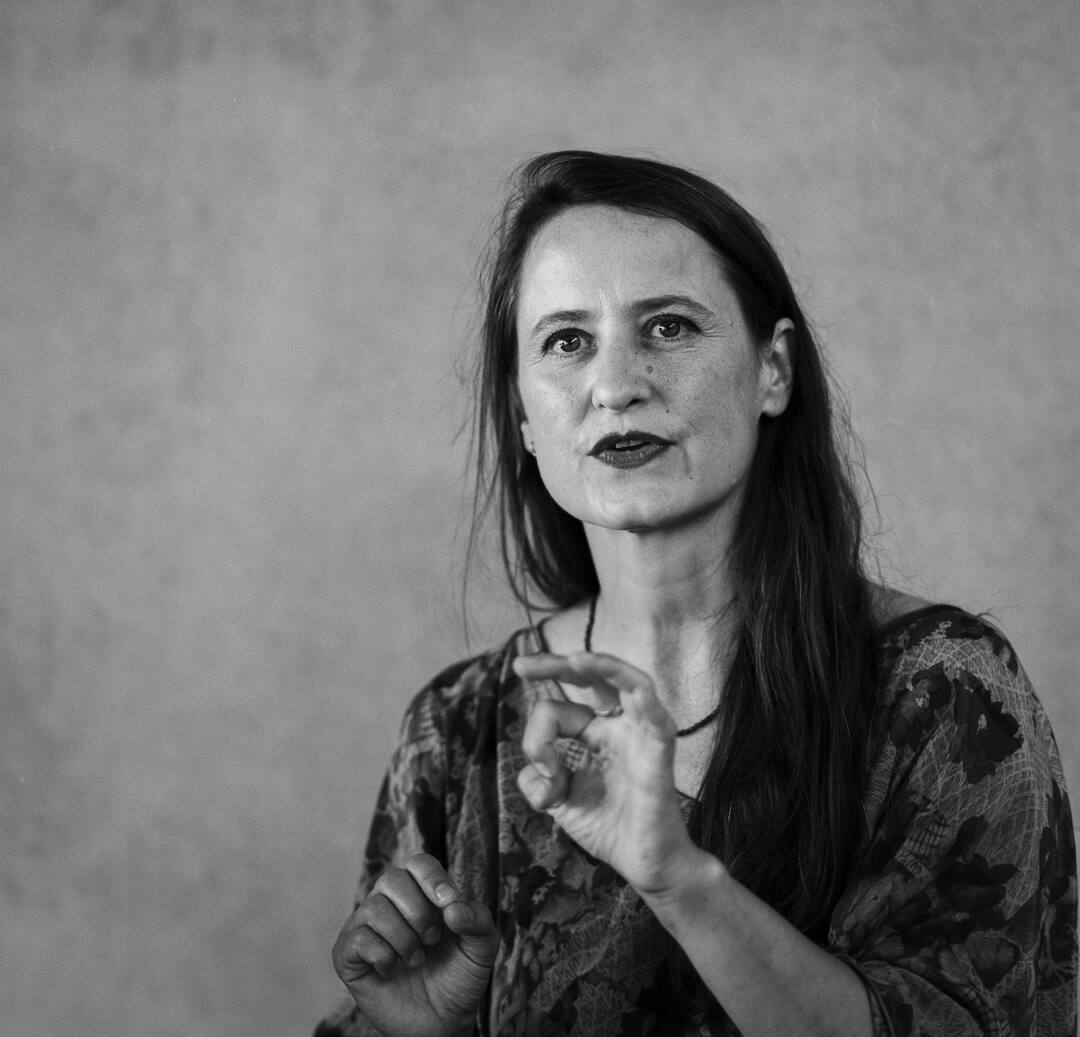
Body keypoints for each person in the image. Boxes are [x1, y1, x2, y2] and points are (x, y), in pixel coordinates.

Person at [314, 151, 1077, 1036]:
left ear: (773, 370)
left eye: (669, 327)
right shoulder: (456, 733)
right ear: (522, 413)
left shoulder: (947, 696)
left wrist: (680, 877)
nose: (615, 386)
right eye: (566, 342)